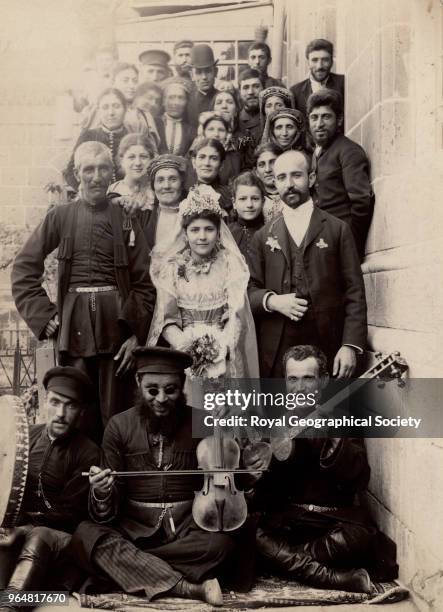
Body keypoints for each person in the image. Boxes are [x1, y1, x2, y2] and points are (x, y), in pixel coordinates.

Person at [70, 347, 261, 606]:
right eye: (152, 390)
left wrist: (233, 441)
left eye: (170, 390)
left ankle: (134, 567)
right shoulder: (118, 425)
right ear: (138, 383)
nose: (161, 398)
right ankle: (189, 587)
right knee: (85, 534)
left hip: (188, 528)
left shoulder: (202, 421)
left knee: (222, 544)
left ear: (182, 386)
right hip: (134, 529)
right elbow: (108, 512)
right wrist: (102, 492)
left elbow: (227, 480)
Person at [12, 142, 156, 439]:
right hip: (72, 329)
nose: (96, 176)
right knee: (76, 413)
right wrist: (43, 314)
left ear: (112, 172)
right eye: (88, 169)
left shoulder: (125, 217)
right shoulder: (60, 216)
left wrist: (135, 334)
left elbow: (145, 282)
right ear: (77, 174)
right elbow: (24, 268)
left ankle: (114, 481)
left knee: (117, 415)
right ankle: (78, 480)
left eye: (103, 168)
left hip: (116, 330)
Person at [254, 344, 389, 594]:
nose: (300, 388)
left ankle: (290, 561)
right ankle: (331, 577)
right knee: (246, 529)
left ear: (323, 381)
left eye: (308, 378)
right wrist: (256, 475)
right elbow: (265, 493)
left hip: (330, 523)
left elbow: (359, 478)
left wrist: (327, 434)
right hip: (290, 523)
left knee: (360, 538)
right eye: (292, 379)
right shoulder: (275, 423)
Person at [247, 149, 367, 378]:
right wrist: (272, 301)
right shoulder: (263, 236)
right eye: (281, 177)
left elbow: (355, 292)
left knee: (328, 412)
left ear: (311, 178)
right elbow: (248, 290)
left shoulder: (337, 229)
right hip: (276, 350)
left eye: (296, 175)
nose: (289, 184)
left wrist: (350, 344)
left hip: (328, 344)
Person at [0, 367, 100, 605]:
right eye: (55, 402)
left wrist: (25, 527)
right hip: (19, 530)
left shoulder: (88, 452)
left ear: (82, 412)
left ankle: (11, 605)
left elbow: (70, 515)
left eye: (71, 405)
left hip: (60, 541)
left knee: (38, 535)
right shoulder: (26, 437)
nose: (61, 413)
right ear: (45, 401)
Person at [148, 186, 259, 387]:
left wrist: (221, 346)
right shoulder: (173, 268)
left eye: (209, 229)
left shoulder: (229, 263)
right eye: (195, 230)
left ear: (218, 232)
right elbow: (167, 320)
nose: (202, 236)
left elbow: (237, 313)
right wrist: (188, 348)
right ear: (185, 233)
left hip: (224, 351)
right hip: (186, 354)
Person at [308, 89, 374, 261]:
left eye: (326, 117)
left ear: (339, 120)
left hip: (341, 244)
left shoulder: (349, 151)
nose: (319, 124)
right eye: (314, 117)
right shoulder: (318, 153)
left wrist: (351, 245)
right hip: (322, 241)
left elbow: (361, 202)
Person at [64, 88, 129, 190]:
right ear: (98, 110)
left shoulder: (133, 138)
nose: (111, 112)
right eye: (105, 107)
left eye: (116, 106)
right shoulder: (88, 136)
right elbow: (69, 171)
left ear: (125, 109)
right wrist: (87, 193)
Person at [81, 63, 160, 147]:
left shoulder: (143, 115)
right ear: (113, 82)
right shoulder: (98, 110)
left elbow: (152, 149)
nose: (131, 85)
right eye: (125, 81)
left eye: (135, 81)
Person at [140, 154, 188, 253]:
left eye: (173, 179)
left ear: (182, 183)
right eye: (160, 180)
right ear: (153, 186)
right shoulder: (144, 216)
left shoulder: (193, 214)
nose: (166, 186)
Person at [290, 39, 345, 120]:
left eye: (325, 60)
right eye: (314, 60)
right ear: (307, 63)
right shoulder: (295, 92)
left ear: (332, 62)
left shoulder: (344, 83)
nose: (319, 66)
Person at [108, 133, 156, 213]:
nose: (138, 163)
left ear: (151, 160)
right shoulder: (112, 191)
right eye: (131, 157)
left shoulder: (157, 192)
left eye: (143, 157)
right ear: (122, 161)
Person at [188, 137, 232, 213]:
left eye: (213, 158)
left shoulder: (229, 196)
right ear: (194, 162)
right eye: (202, 157)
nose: (207, 163)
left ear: (221, 165)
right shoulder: (187, 193)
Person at [229, 171, 266, 260]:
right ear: (234, 203)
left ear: (263, 202)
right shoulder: (227, 233)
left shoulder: (268, 233)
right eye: (242, 199)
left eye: (255, 198)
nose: (249, 204)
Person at [155, 77, 196, 156]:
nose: (176, 103)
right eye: (171, 97)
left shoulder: (191, 130)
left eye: (181, 98)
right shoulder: (154, 124)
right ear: (163, 101)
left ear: (186, 102)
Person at [188, 44, 219, 127]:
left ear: (215, 72)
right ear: (192, 75)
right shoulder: (187, 100)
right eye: (198, 72)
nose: (204, 77)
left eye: (208, 71)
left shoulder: (223, 99)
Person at [253, 142, 282, 222]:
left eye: (272, 162)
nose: (267, 170)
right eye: (262, 165)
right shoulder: (254, 199)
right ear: (256, 172)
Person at [238, 68, 264, 147]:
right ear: (239, 92)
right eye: (245, 88)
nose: (251, 92)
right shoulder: (235, 121)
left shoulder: (271, 119)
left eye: (256, 86)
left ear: (264, 89)